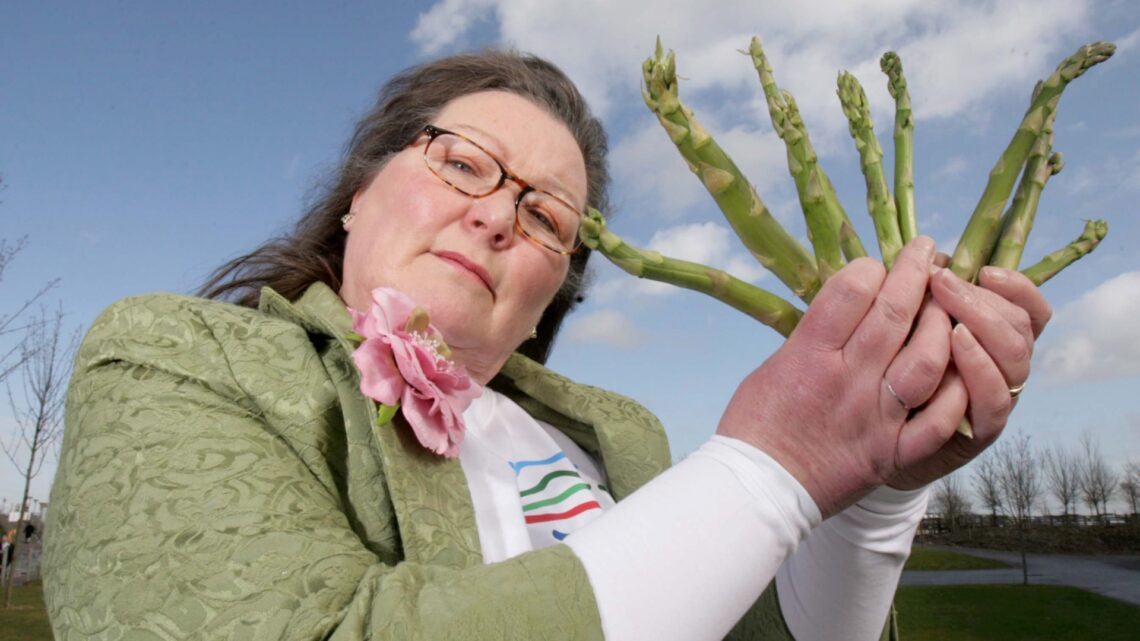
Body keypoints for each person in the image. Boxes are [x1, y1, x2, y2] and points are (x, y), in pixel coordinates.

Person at [42, 50, 1049, 640]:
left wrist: (875, 487)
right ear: (357, 195)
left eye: (547, 219)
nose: (495, 218)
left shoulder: (624, 435)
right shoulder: (175, 355)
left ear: (549, 296)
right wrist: (777, 463)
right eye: (465, 163)